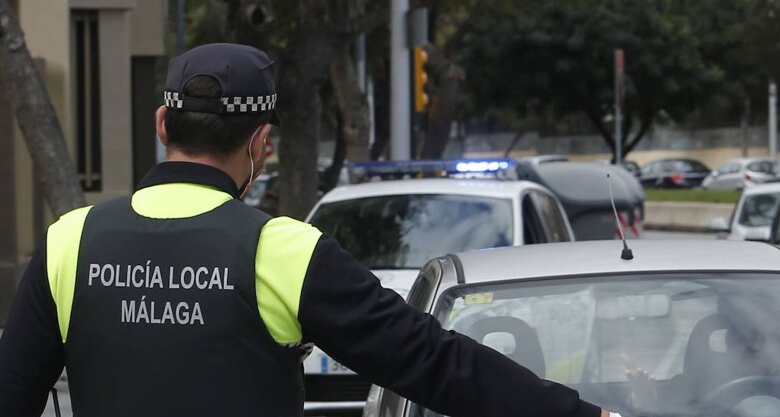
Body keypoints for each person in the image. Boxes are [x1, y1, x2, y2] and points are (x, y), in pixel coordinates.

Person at [0, 43, 615, 417]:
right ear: (261, 144)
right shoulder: (279, 250)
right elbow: (436, 364)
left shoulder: (69, 242)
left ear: (163, 124)